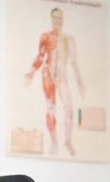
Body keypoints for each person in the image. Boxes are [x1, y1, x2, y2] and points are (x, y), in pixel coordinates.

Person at [24, 7, 85, 156]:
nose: (58, 20)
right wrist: (31, 73)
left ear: (63, 19)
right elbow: (40, 56)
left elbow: (74, 62)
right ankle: (54, 140)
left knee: (69, 109)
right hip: (48, 76)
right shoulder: (46, 36)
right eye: (55, 18)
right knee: (51, 108)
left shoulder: (69, 40)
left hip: (62, 78)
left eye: (60, 17)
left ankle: (68, 140)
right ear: (52, 19)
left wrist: (80, 82)